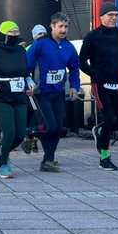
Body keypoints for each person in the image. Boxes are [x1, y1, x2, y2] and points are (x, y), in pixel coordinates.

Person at [79, 2, 118, 171]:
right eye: (110, 15)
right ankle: (104, 158)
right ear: (101, 17)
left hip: (117, 84)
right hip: (101, 84)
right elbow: (81, 62)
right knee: (109, 118)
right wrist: (95, 74)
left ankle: (100, 131)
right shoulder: (92, 37)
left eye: (116, 15)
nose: (114, 18)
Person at [0, 21, 35, 179]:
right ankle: (2, 165)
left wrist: (30, 82)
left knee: (19, 134)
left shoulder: (20, 50)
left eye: (17, 32)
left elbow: (25, 72)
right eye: (11, 32)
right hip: (0, 97)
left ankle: (3, 150)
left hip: (19, 96)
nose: (15, 35)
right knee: (9, 131)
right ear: (3, 34)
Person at [27, 12, 80, 172]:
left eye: (66, 26)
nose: (64, 30)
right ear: (52, 26)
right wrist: (27, 83)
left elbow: (74, 68)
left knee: (58, 128)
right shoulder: (40, 44)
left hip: (58, 92)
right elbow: (27, 65)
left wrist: (74, 87)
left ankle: (47, 161)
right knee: (50, 126)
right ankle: (30, 132)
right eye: (60, 26)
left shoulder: (68, 47)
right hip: (40, 92)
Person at [22, 24, 48, 154]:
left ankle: (33, 137)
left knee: (42, 117)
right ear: (34, 37)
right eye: (39, 35)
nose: (42, 37)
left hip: (47, 89)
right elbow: (26, 71)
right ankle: (30, 136)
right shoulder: (30, 49)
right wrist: (28, 86)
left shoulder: (49, 48)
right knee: (34, 115)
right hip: (34, 89)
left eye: (43, 34)